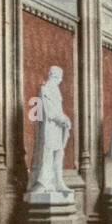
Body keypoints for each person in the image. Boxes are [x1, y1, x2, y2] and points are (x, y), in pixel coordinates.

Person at [27, 66, 72, 197]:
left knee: (59, 154)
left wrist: (65, 119)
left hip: (58, 129)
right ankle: (43, 183)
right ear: (54, 76)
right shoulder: (45, 89)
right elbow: (50, 111)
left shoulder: (56, 90)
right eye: (60, 77)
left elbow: (58, 110)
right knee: (47, 155)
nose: (61, 80)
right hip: (49, 128)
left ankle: (58, 181)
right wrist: (63, 119)